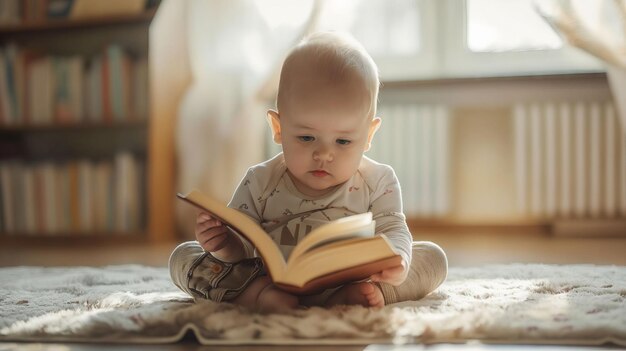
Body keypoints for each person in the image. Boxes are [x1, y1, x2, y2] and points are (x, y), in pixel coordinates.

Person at [169, 31, 448, 313]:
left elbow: (393, 228)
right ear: (279, 128)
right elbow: (242, 247)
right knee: (184, 257)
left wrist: (398, 260)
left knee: (432, 258)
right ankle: (255, 295)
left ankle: (363, 293)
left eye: (343, 141)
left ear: (368, 135)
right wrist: (224, 244)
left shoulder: (378, 181)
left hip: (351, 278)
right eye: (306, 138)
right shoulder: (260, 180)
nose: (323, 154)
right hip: (269, 280)